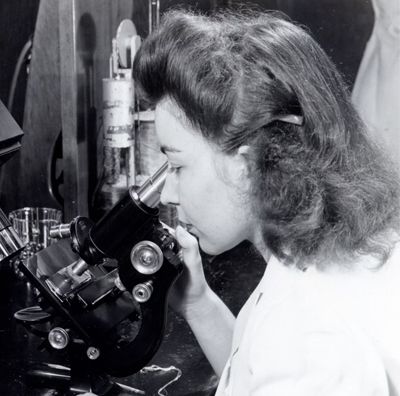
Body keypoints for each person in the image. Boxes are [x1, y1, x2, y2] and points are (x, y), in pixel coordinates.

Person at [131, 9, 400, 395]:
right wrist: (198, 302)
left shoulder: (309, 337)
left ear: (248, 163)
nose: (169, 194)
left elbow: (287, 360)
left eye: (176, 165)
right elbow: (255, 373)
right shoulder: (320, 253)